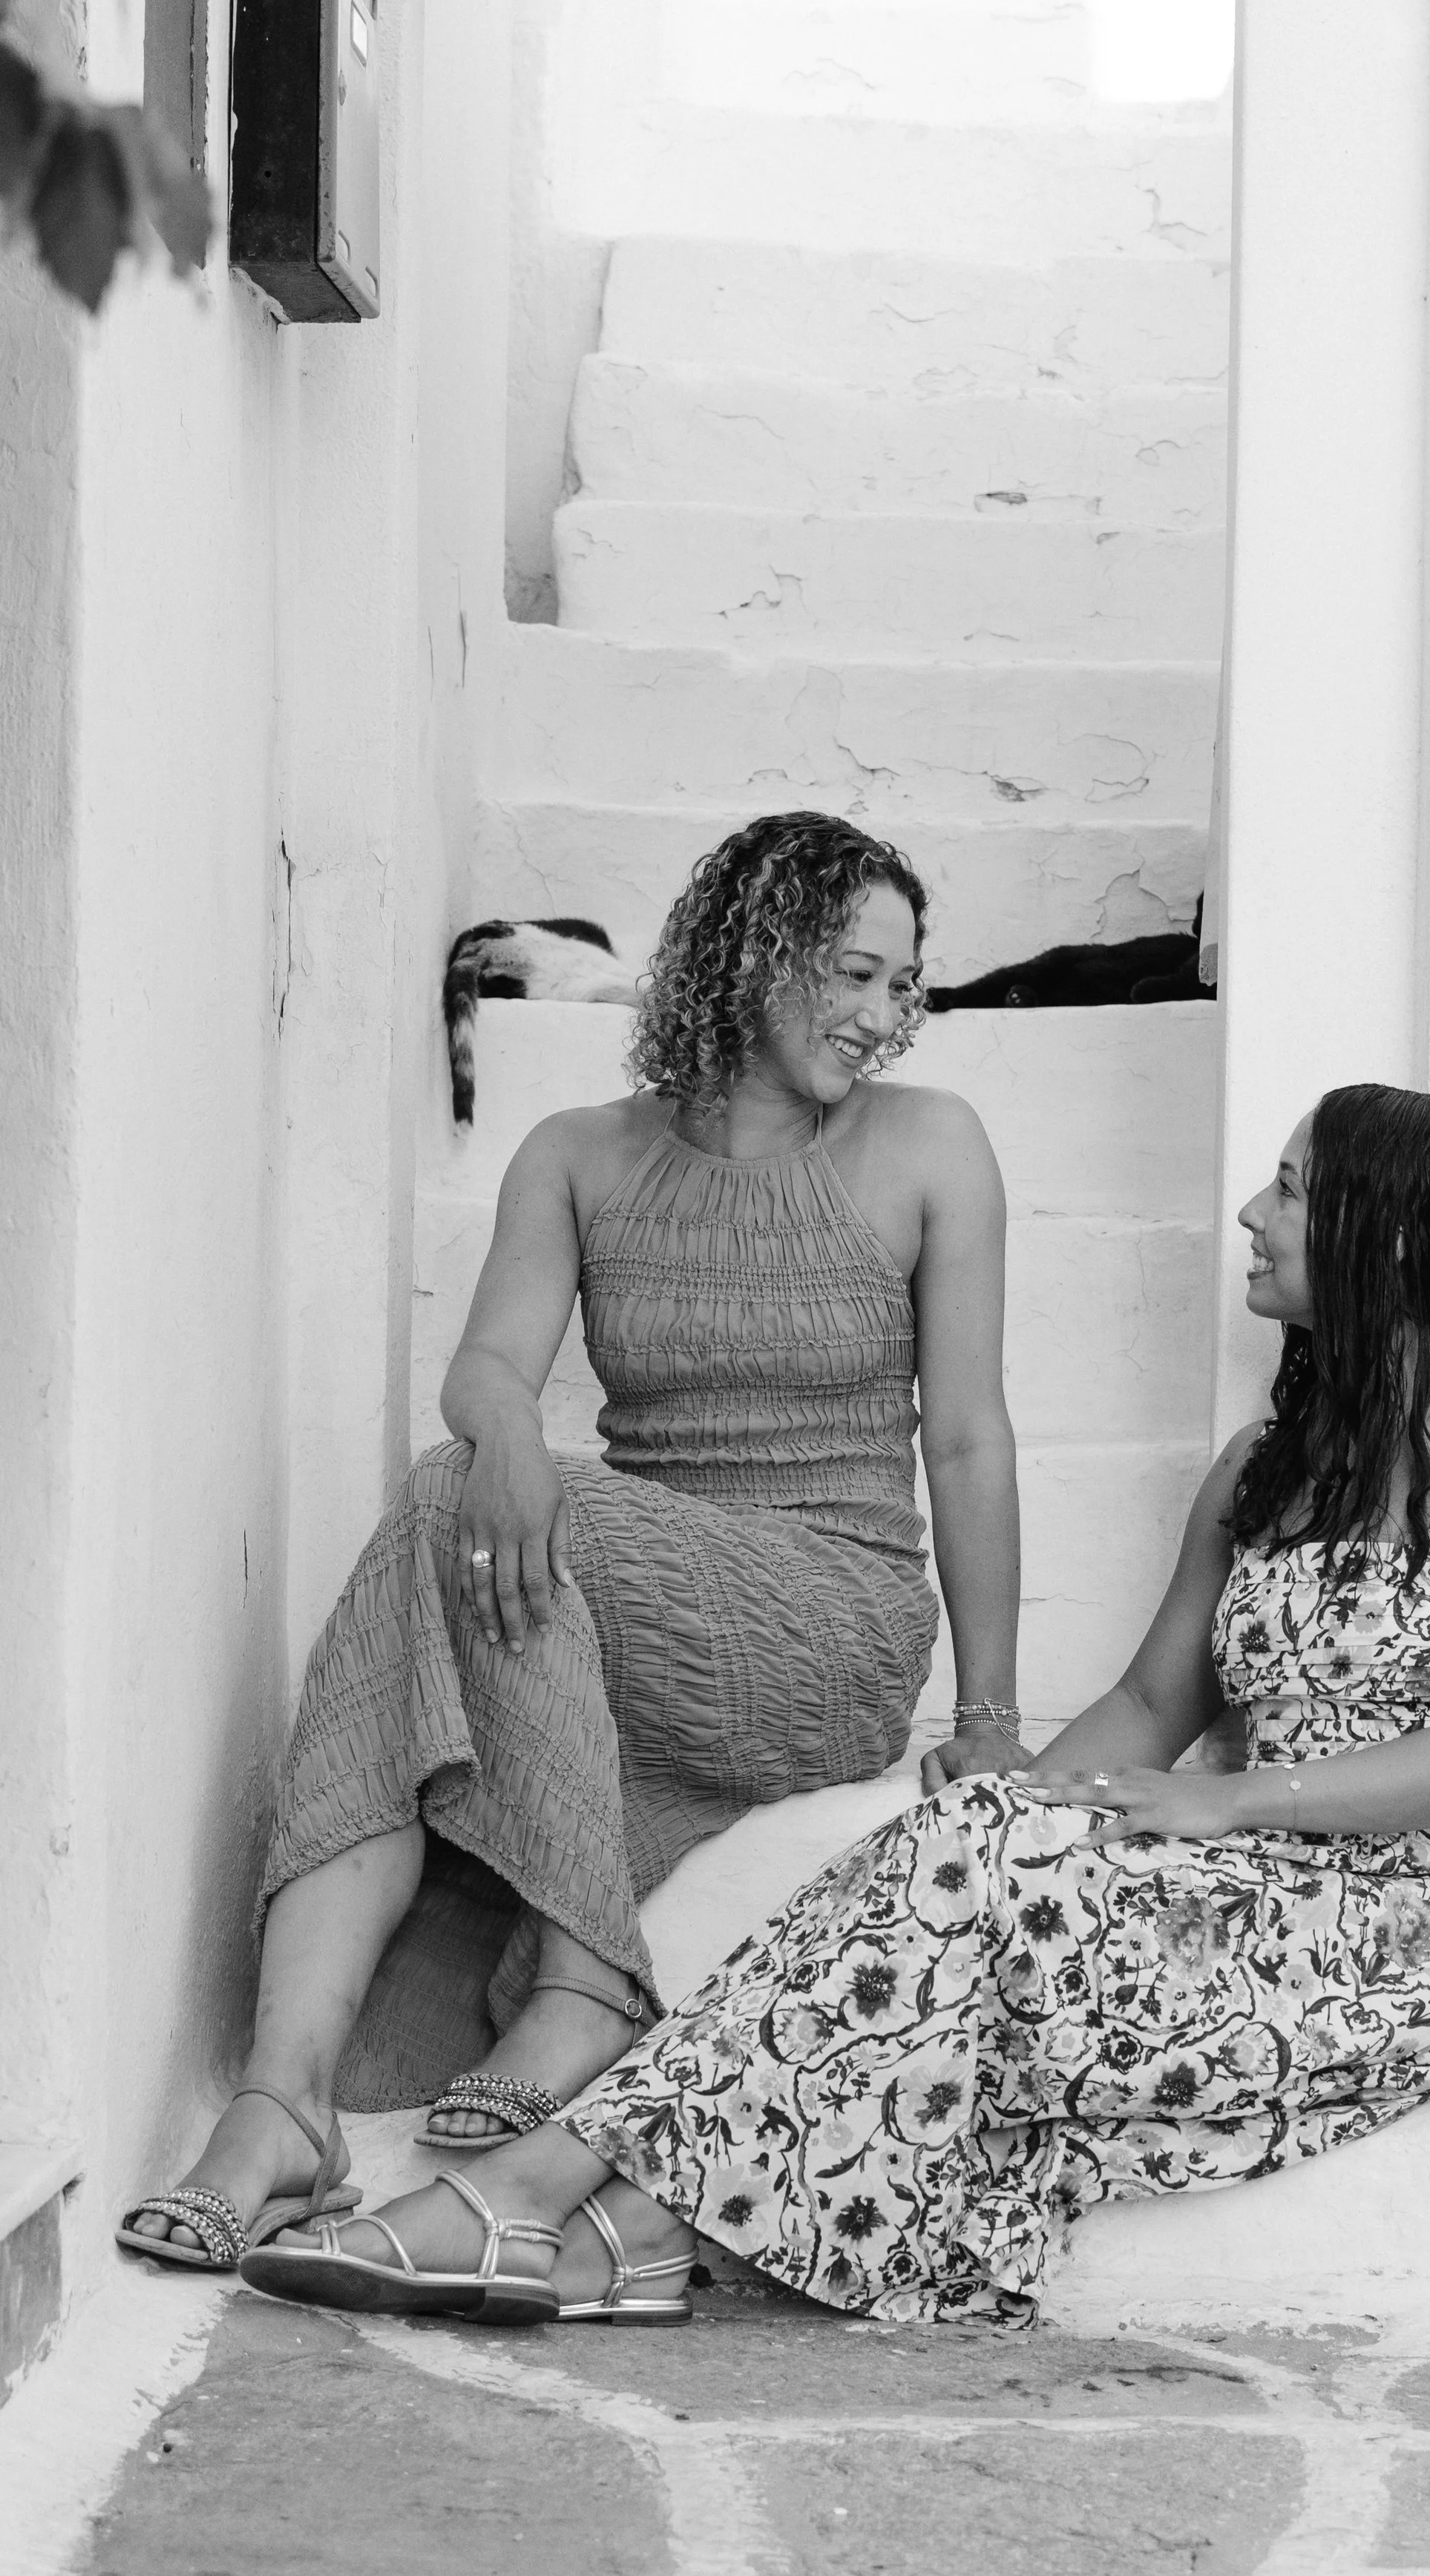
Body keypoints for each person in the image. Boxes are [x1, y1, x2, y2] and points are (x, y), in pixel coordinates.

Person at [243, 1081, 1430, 2327]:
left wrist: (1222, 1801)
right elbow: (1148, 1697)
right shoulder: (1267, 1466)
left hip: (1427, 1920)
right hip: (1251, 1879)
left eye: (1296, 1188)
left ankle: (536, 2198)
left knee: (974, 1872)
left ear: (1396, 1238)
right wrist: (1027, 1806)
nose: (1255, 1212)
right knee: (949, 1846)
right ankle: (619, 2226)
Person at [121, 813, 1026, 2270]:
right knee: (460, 1489)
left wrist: (988, 1713)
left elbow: (968, 1437)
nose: (880, 1017)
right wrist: (510, 1442)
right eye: (854, 974)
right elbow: (487, 1367)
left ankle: (579, 1976)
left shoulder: (930, 1147)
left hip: (827, 1618)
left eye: (899, 987)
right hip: (613, 1613)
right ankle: (281, 2098)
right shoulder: (579, 1155)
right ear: (755, 951)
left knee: (453, 1497)